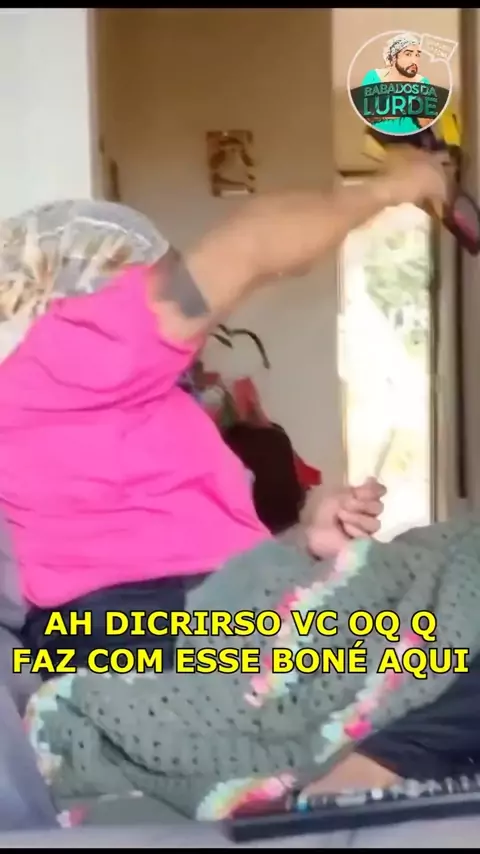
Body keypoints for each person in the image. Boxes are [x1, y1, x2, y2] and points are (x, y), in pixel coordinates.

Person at [0, 151, 446, 673]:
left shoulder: (66, 390)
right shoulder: (85, 352)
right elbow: (253, 247)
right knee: (448, 618)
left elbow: (151, 536)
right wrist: (391, 187)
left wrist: (303, 543)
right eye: (150, 278)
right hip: (143, 626)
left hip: (154, 619)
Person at [362, 33, 434, 135]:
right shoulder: (373, 77)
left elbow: (426, 124)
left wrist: (421, 112)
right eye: (408, 54)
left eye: (417, 55)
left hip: (411, 140)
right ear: (394, 57)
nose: (414, 61)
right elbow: (366, 114)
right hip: (378, 139)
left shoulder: (423, 83)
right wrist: (405, 107)